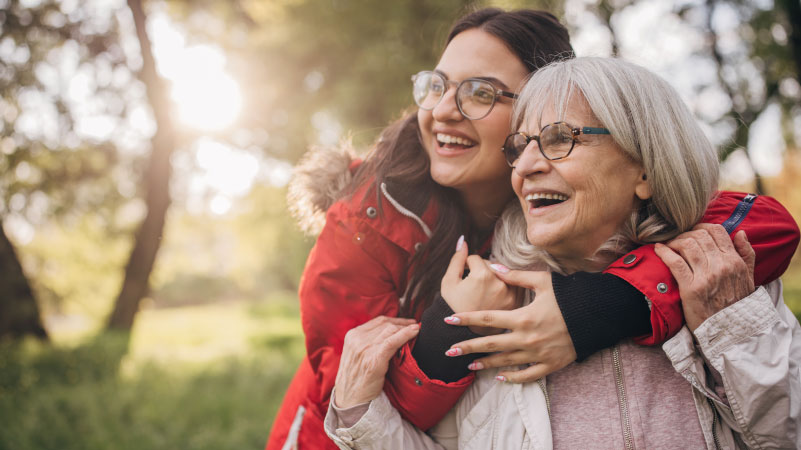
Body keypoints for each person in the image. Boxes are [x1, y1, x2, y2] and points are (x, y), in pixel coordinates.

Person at [267, 8, 800, 450]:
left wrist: (607, 302)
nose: (444, 110)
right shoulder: (370, 225)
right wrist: (448, 331)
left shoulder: (617, 224)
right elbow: (356, 398)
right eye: (438, 86)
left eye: (480, 92)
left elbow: (762, 223)